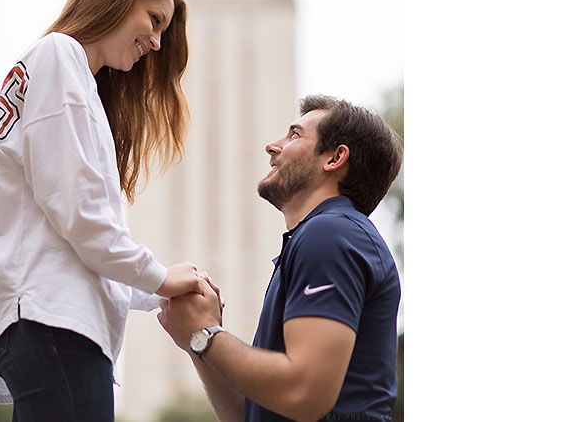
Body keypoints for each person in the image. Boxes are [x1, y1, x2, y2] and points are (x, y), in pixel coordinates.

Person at [0, 0, 203, 421]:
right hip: (54, 324)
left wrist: (156, 292)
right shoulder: (59, 55)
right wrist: (160, 276)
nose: (157, 43)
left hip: (45, 322)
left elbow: (63, 232)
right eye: (155, 19)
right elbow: (79, 215)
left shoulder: (62, 71)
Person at [158, 94, 404, 422]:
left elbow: (303, 392)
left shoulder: (330, 234)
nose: (272, 146)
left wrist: (205, 334)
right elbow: (248, 414)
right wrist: (198, 339)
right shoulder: (315, 239)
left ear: (334, 158)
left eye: (294, 135)